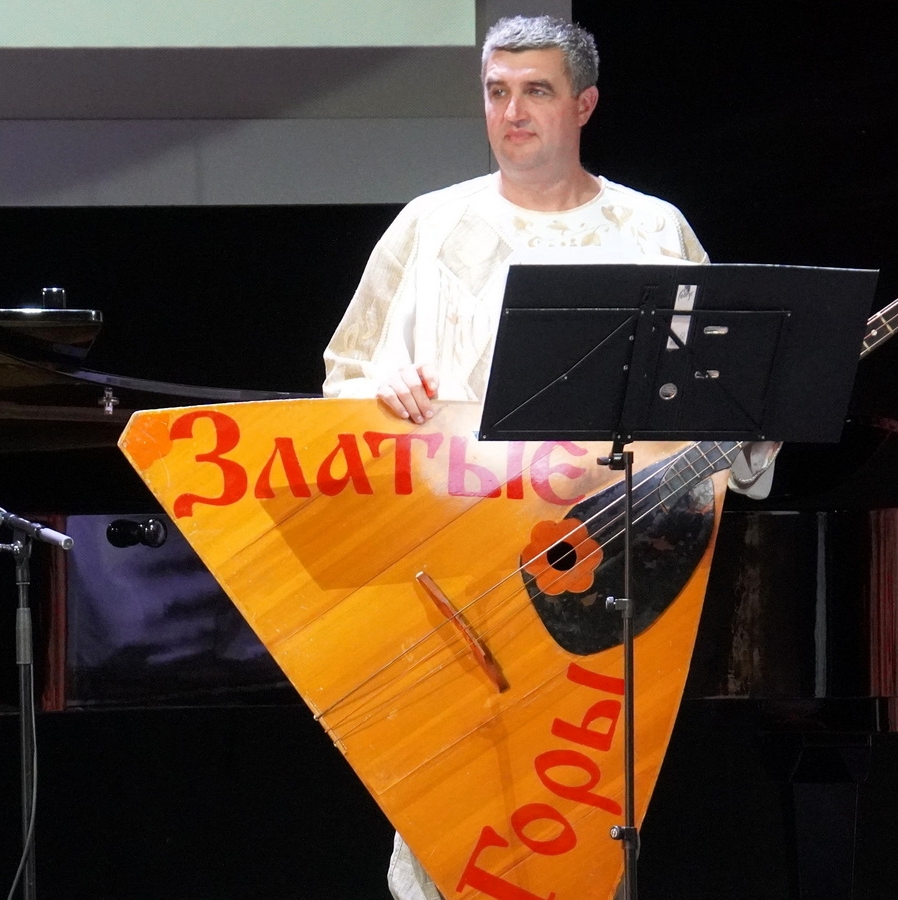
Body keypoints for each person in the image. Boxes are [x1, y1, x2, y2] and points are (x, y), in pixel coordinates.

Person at [321, 15, 776, 899]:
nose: (513, 112)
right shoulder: (429, 225)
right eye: (497, 92)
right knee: (448, 817)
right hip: (456, 570)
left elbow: (718, 403)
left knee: (583, 815)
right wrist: (384, 389)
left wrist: (753, 427)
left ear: (584, 104)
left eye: (536, 91)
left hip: (600, 577)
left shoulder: (652, 230)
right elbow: (344, 377)